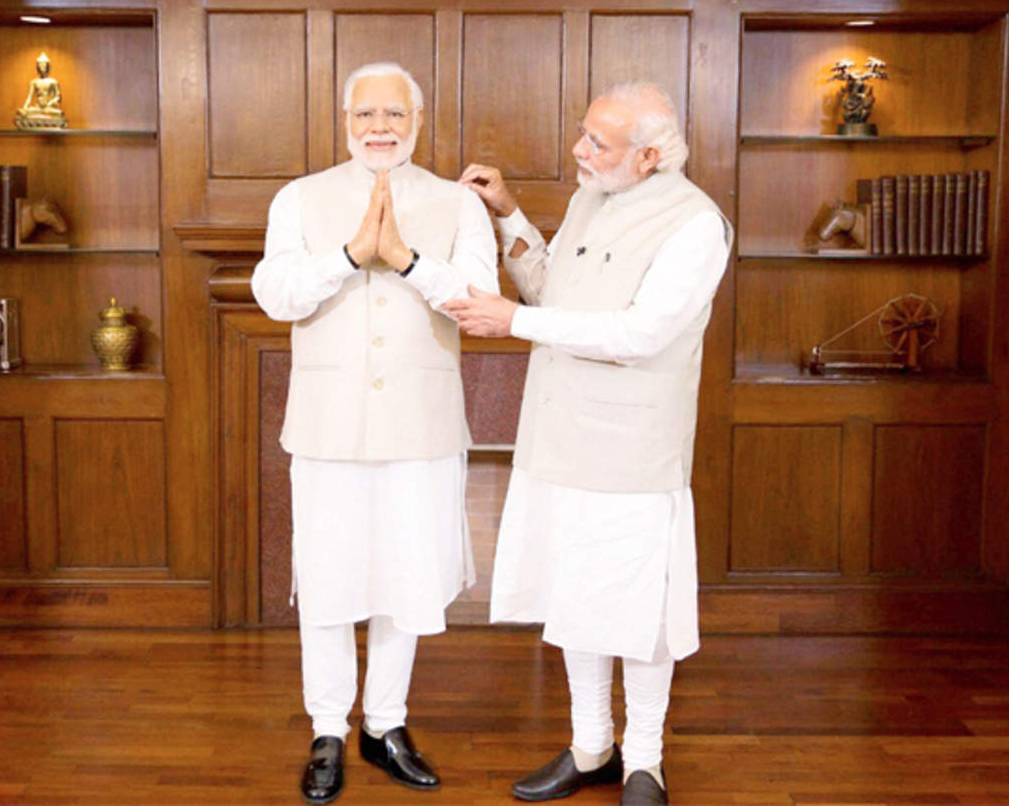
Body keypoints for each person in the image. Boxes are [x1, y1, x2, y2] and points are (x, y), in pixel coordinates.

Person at [446, 81, 732, 806]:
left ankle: (645, 762)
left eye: (596, 142)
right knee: (576, 599)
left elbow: (639, 336)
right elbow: (553, 296)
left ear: (647, 156)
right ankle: (591, 747)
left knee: (637, 610)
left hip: (633, 449)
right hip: (557, 440)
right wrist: (509, 214)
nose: (579, 149)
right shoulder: (587, 199)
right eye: (583, 133)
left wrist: (512, 321)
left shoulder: (696, 225)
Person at [252, 62, 498, 804]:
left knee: (408, 576)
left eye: (395, 114)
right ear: (345, 121)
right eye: (366, 115)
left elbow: (480, 300)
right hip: (327, 425)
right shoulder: (299, 198)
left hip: (421, 425)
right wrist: (350, 257)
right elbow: (274, 294)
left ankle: (385, 723)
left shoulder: (457, 204)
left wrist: (407, 261)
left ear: (419, 122)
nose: (380, 128)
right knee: (326, 579)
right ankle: (328, 726)